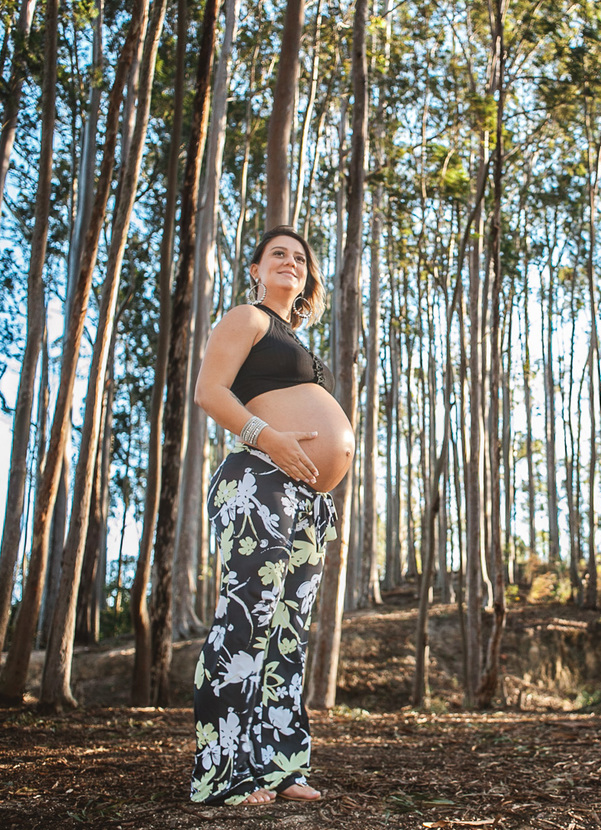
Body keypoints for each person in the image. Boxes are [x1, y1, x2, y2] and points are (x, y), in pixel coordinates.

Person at [189, 226, 354, 806]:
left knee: (287, 632)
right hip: (258, 479)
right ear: (256, 269)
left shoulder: (297, 339)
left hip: (308, 498)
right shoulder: (249, 318)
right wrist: (268, 438)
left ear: (308, 278)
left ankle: (282, 767)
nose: (290, 262)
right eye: (277, 254)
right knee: (246, 619)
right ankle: (224, 774)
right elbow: (210, 392)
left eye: (300, 258)